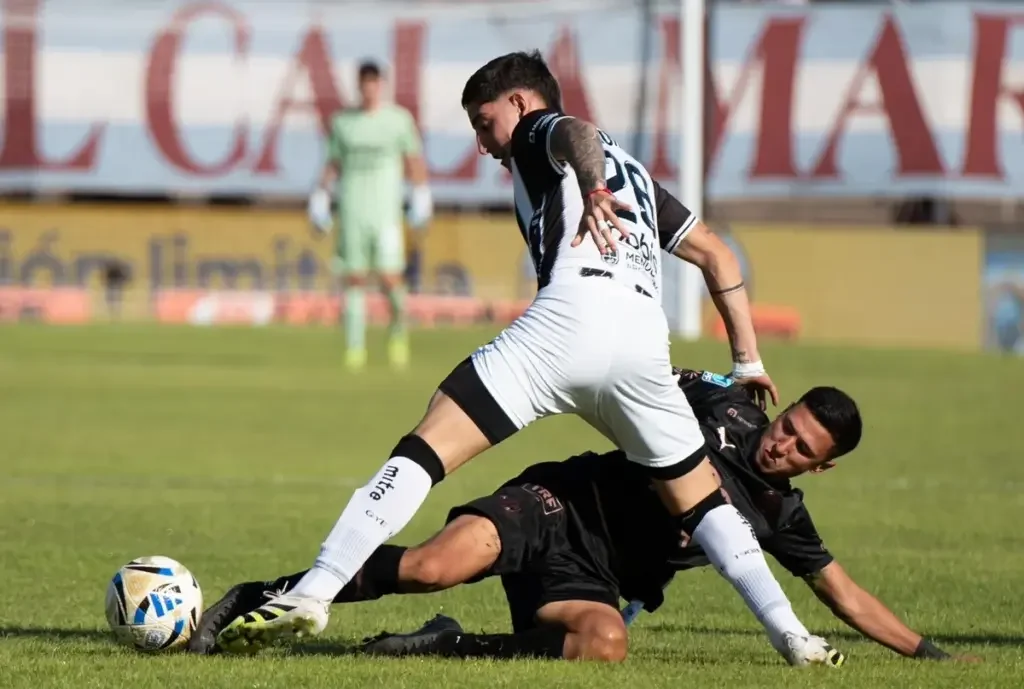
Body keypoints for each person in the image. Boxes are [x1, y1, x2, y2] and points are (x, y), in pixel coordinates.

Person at [215, 50, 834, 666]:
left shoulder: (539, 130)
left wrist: (591, 186)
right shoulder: (639, 176)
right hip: (643, 347)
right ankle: (791, 635)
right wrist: (746, 361)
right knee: (704, 504)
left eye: (485, 123)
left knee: (425, 449)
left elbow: (574, 132)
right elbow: (716, 254)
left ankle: (315, 591)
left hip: (568, 325)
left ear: (518, 102)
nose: (483, 144)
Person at [193, 369, 955, 664]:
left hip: (592, 574)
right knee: (430, 566)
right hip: (556, 504)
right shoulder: (720, 406)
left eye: (801, 448)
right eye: (787, 425)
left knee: (606, 642)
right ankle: (262, 595)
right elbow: (636, 371)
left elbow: (844, 594)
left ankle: (446, 646)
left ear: (821, 466)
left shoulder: (783, 516)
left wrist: (928, 654)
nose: (781, 443)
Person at [307, 59, 433, 370]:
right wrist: (321, 196)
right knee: (354, 278)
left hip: (386, 211)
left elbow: (413, 159)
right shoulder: (343, 122)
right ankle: (355, 347)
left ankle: (398, 332)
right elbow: (333, 162)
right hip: (352, 208)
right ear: (359, 86)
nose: (369, 89)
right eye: (364, 84)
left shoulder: (398, 120)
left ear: (381, 85)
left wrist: (421, 194)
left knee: (390, 277)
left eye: (374, 83)